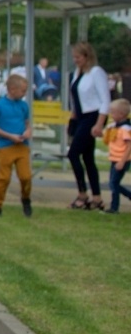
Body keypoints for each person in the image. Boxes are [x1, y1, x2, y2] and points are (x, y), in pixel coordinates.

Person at [64, 41, 111, 210]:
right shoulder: (78, 73)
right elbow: (75, 98)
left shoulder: (96, 73)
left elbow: (105, 99)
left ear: (86, 56)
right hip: (80, 116)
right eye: (74, 57)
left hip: (93, 115)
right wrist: (72, 118)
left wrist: (99, 124)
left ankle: (82, 193)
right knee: (88, 158)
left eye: (78, 57)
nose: (75, 60)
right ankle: (97, 197)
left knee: (73, 153)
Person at [0, 70, 33, 217]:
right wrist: (9, 136)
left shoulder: (24, 106)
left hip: (22, 145)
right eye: (23, 91)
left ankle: (26, 198)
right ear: (12, 89)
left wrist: (27, 132)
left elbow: (27, 123)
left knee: (26, 176)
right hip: (6, 146)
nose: (24, 94)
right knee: (4, 178)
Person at [105, 98, 131, 214]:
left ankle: (114, 207)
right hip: (114, 158)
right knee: (112, 183)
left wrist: (122, 161)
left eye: (113, 112)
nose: (111, 114)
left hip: (122, 160)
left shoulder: (125, 129)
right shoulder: (115, 127)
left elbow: (129, 146)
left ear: (121, 114)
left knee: (114, 183)